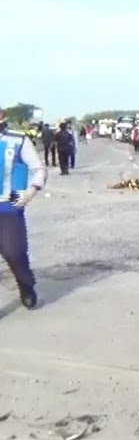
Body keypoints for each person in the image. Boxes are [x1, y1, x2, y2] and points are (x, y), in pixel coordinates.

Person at [0, 111, 46, 309]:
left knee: (14, 252)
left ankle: (25, 284)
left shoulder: (18, 140)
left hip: (8, 206)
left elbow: (38, 169)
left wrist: (31, 191)